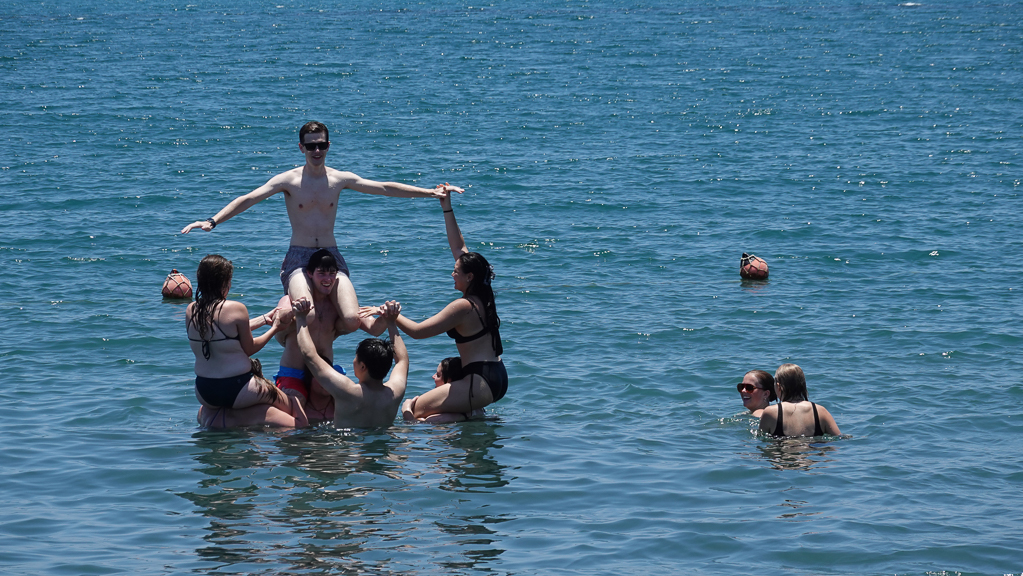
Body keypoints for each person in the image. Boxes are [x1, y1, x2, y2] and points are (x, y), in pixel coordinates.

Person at [180, 120, 462, 335]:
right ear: (301, 147)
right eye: (311, 146)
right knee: (309, 314)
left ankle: (337, 332)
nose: (317, 150)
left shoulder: (339, 179)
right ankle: (287, 325)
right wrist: (213, 221)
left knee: (351, 320)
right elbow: (249, 198)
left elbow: (384, 187)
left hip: (330, 256)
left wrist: (430, 193)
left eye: (322, 145)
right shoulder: (288, 180)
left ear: (328, 146)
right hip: (299, 256)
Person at [393, 190, 507, 420]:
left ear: (469, 277)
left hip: (479, 382)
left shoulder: (463, 306)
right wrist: (446, 207)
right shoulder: (484, 293)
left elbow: (417, 332)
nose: (452, 274)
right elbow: (459, 248)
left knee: (414, 410)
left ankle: (469, 414)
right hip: (497, 376)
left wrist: (391, 314)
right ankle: (469, 414)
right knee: (433, 418)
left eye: (456, 272)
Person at [186, 254, 307, 426]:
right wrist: (275, 328)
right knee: (293, 407)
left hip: (204, 390)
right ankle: (249, 417)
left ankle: (225, 417)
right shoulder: (236, 308)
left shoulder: (192, 310)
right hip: (238, 387)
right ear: (225, 282)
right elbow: (250, 348)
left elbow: (225, 332)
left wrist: (264, 319)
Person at [271, 249, 390, 423]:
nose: (328, 279)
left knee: (354, 403)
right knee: (297, 404)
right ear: (310, 274)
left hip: (324, 373)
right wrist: (295, 312)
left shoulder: (338, 308)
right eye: (321, 273)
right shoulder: (291, 300)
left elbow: (375, 329)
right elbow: (276, 322)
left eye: (332, 273)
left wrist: (387, 315)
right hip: (294, 371)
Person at [293, 297, 408, 428]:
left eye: (356, 358)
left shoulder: (347, 391)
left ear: (363, 366)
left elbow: (309, 355)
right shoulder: (394, 393)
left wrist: (301, 318)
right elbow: (402, 360)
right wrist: (391, 323)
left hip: (349, 440)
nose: (353, 361)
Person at [759, 364, 841, 437]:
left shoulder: (770, 412)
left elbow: (761, 441)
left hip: (783, 449)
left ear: (779, 386)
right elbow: (838, 438)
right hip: (812, 449)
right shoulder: (820, 411)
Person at [404, 357, 486, 423]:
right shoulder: (477, 407)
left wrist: (406, 410)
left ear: (449, 381)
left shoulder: (443, 417)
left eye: (438, 375)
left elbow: (413, 426)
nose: (433, 376)